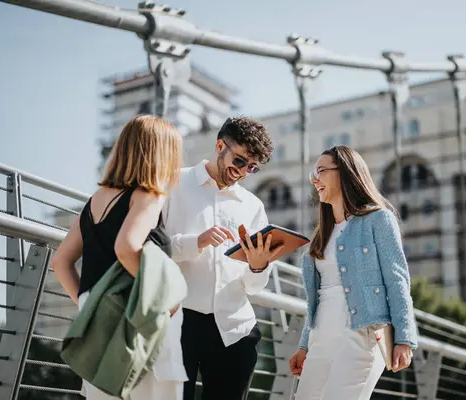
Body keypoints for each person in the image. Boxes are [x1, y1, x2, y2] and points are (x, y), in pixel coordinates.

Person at [51, 114, 187, 400]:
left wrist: (89, 302)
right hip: (139, 321)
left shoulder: (94, 201)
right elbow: (126, 247)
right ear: (161, 155)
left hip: (100, 325)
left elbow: (60, 262)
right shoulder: (148, 196)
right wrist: (161, 296)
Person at [163, 116, 283, 400]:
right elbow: (148, 248)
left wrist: (257, 267)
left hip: (235, 328)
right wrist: (196, 242)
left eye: (252, 168)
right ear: (220, 146)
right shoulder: (173, 183)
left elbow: (254, 286)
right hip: (176, 321)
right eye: (240, 161)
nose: (242, 172)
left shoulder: (253, 206)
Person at [288, 146, 418, 400]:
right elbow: (317, 298)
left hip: (361, 336)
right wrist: (305, 344)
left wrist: (404, 337)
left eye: (321, 171)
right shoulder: (321, 235)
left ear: (345, 173)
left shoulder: (378, 219)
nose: (314, 179)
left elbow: (397, 279)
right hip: (320, 339)